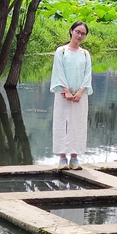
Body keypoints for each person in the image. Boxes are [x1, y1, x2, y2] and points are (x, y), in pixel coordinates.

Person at [50, 21, 92, 170]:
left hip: (80, 95)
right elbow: (59, 71)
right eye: (77, 31)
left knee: (78, 124)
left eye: (83, 33)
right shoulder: (61, 51)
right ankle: (62, 158)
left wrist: (80, 91)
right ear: (71, 31)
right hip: (63, 94)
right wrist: (66, 90)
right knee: (61, 123)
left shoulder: (85, 54)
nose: (79, 35)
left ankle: (74, 158)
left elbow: (87, 75)